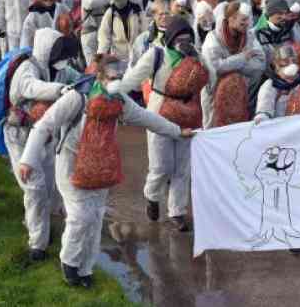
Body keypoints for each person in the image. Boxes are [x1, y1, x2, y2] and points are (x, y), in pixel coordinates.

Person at [19, 54, 194, 287]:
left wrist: (176, 131)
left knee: (96, 215)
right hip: (72, 162)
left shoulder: (119, 100)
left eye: (120, 77)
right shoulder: (77, 98)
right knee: (81, 215)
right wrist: (27, 160)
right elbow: (44, 125)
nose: (117, 81)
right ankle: (69, 262)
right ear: (99, 76)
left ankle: (86, 268)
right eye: (112, 77)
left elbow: (146, 118)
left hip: (102, 165)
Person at [116, 17, 214, 232]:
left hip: (190, 113)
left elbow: (211, 78)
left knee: (182, 167)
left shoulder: (196, 55)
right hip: (160, 110)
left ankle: (177, 212)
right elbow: (132, 79)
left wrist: (199, 64)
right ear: (170, 38)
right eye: (180, 37)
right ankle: (152, 195)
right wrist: (113, 92)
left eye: (188, 37)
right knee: (161, 166)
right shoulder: (156, 55)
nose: (184, 41)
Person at [5, 28, 78, 261]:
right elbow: (30, 88)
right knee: (34, 188)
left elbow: (77, 79)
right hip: (20, 135)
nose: (62, 60)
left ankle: (39, 224)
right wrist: (59, 91)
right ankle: (38, 244)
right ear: (47, 50)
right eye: (58, 53)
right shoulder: (27, 68)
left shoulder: (60, 70)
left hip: (46, 136)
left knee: (49, 185)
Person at [201, 1, 266, 127]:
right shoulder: (212, 39)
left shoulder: (249, 36)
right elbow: (216, 68)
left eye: (248, 20)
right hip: (214, 98)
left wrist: (230, 65)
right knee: (213, 132)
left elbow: (260, 64)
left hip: (241, 97)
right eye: (243, 20)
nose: (247, 24)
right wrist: (242, 58)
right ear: (231, 18)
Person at [254, 44, 300, 124]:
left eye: (294, 61)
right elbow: (264, 109)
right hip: (284, 128)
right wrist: (262, 118)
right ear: (277, 65)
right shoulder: (271, 85)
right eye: (286, 62)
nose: (291, 65)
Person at [97, 0, 144, 71]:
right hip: (118, 58)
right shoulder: (110, 13)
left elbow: (144, 32)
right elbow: (104, 37)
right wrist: (100, 57)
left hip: (137, 57)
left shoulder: (137, 10)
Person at [252, 0, 300, 67]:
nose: (284, 17)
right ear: (270, 14)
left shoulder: (290, 28)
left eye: (285, 13)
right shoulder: (256, 34)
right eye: (280, 14)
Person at [79, 0, 115, 66]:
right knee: (93, 67)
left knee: (105, 68)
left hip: (104, 36)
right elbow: (91, 3)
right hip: (89, 35)